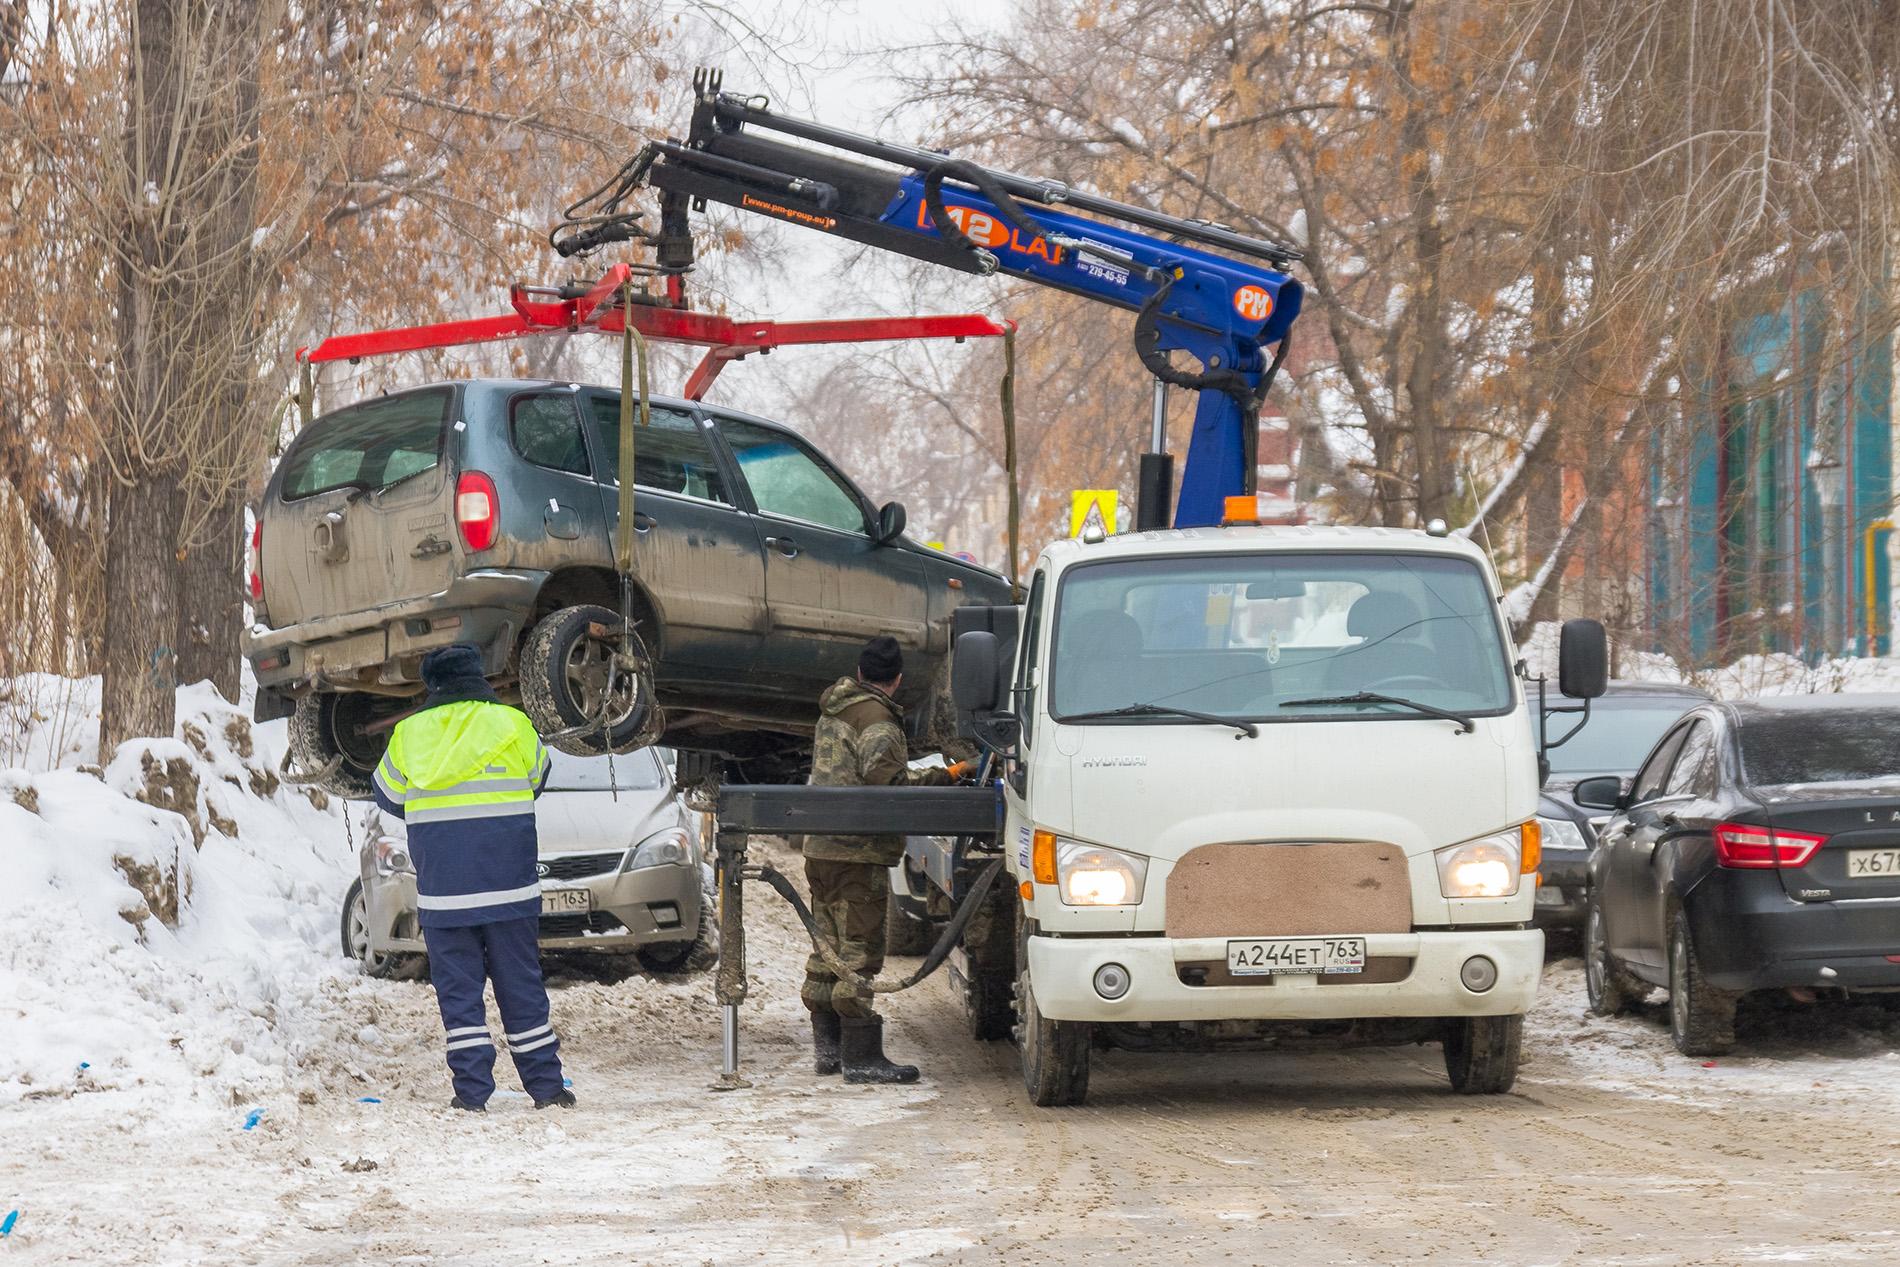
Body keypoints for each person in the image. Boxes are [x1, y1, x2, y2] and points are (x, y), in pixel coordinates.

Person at [372, 644, 574, 1113]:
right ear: (477, 677)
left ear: (432, 684)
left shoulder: (408, 734)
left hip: (445, 894)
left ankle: (471, 1094)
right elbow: (537, 779)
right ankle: (546, 1088)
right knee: (521, 986)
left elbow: (387, 795)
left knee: (460, 995)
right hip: (510, 889)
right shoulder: (513, 724)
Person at [802, 634, 973, 1084]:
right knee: (859, 949)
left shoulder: (834, 709)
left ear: (860, 674)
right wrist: (952, 774)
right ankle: (861, 1057)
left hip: (821, 847)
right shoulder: (877, 719)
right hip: (856, 852)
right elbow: (889, 786)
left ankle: (829, 1051)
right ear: (897, 680)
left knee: (827, 947)